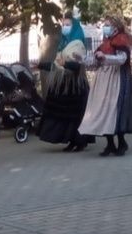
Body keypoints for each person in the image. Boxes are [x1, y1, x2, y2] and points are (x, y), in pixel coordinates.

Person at [35, 13, 93, 151]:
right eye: (64, 25)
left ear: (74, 27)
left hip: (74, 85)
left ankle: (80, 141)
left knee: (75, 115)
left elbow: (77, 65)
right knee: (64, 116)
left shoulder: (78, 43)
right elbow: (57, 65)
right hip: (62, 83)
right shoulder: (63, 43)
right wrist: (41, 65)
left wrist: (65, 64)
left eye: (68, 25)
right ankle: (71, 140)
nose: (65, 27)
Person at [78, 16, 132, 156]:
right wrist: (81, 59)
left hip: (117, 78)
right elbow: (94, 63)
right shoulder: (105, 43)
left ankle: (122, 142)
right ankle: (110, 144)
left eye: (108, 25)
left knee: (114, 109)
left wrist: (105, 57)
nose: (105, 27)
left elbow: (122, 59)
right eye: (105, 25)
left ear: (116, 27)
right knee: (103, 110)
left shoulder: (121, 40)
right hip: (103, 80)